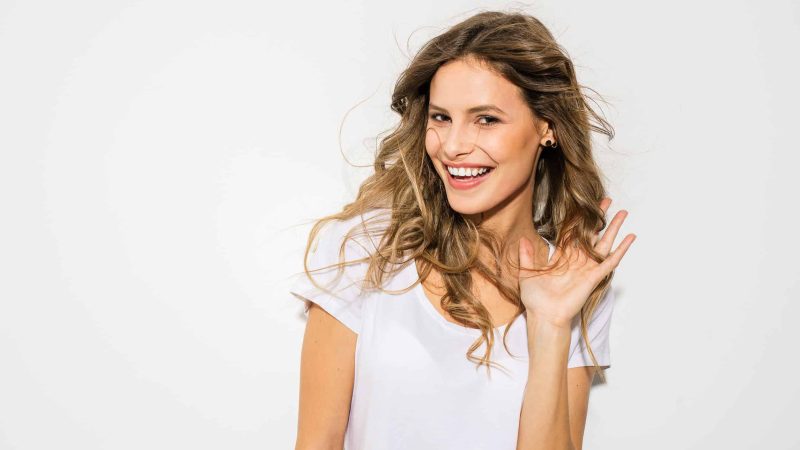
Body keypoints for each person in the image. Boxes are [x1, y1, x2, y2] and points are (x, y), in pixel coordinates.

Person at [289, 10, 636, 450]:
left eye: (486, 119)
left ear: (546, 128)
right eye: (441, 118)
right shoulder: (365, 250)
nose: (453, 146)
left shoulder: (574, 279)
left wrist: (549, 325)